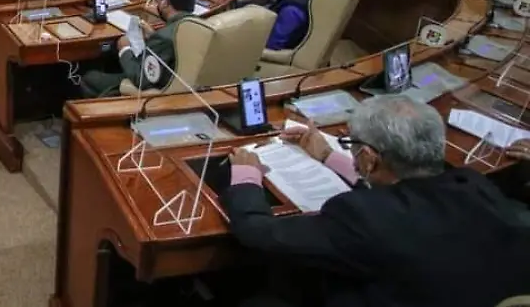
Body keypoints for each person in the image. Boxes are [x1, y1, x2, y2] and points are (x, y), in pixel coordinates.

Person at [225, 95, 530, 307]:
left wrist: (246, 175)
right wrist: (329, 156)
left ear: (369, 159)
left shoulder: (363, 216)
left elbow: (258, 232)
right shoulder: (472, 184)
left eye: (351, 146)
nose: (351, 152)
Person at [79, 0, 195, 98]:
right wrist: (153, 36)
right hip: (184, 86)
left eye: (157, 1)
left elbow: (141, 80)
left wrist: (124, 49)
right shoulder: (196, 26)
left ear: (165, 2)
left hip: (158, 90)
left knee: (90, 78)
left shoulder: (164, 37)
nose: (156, 5)